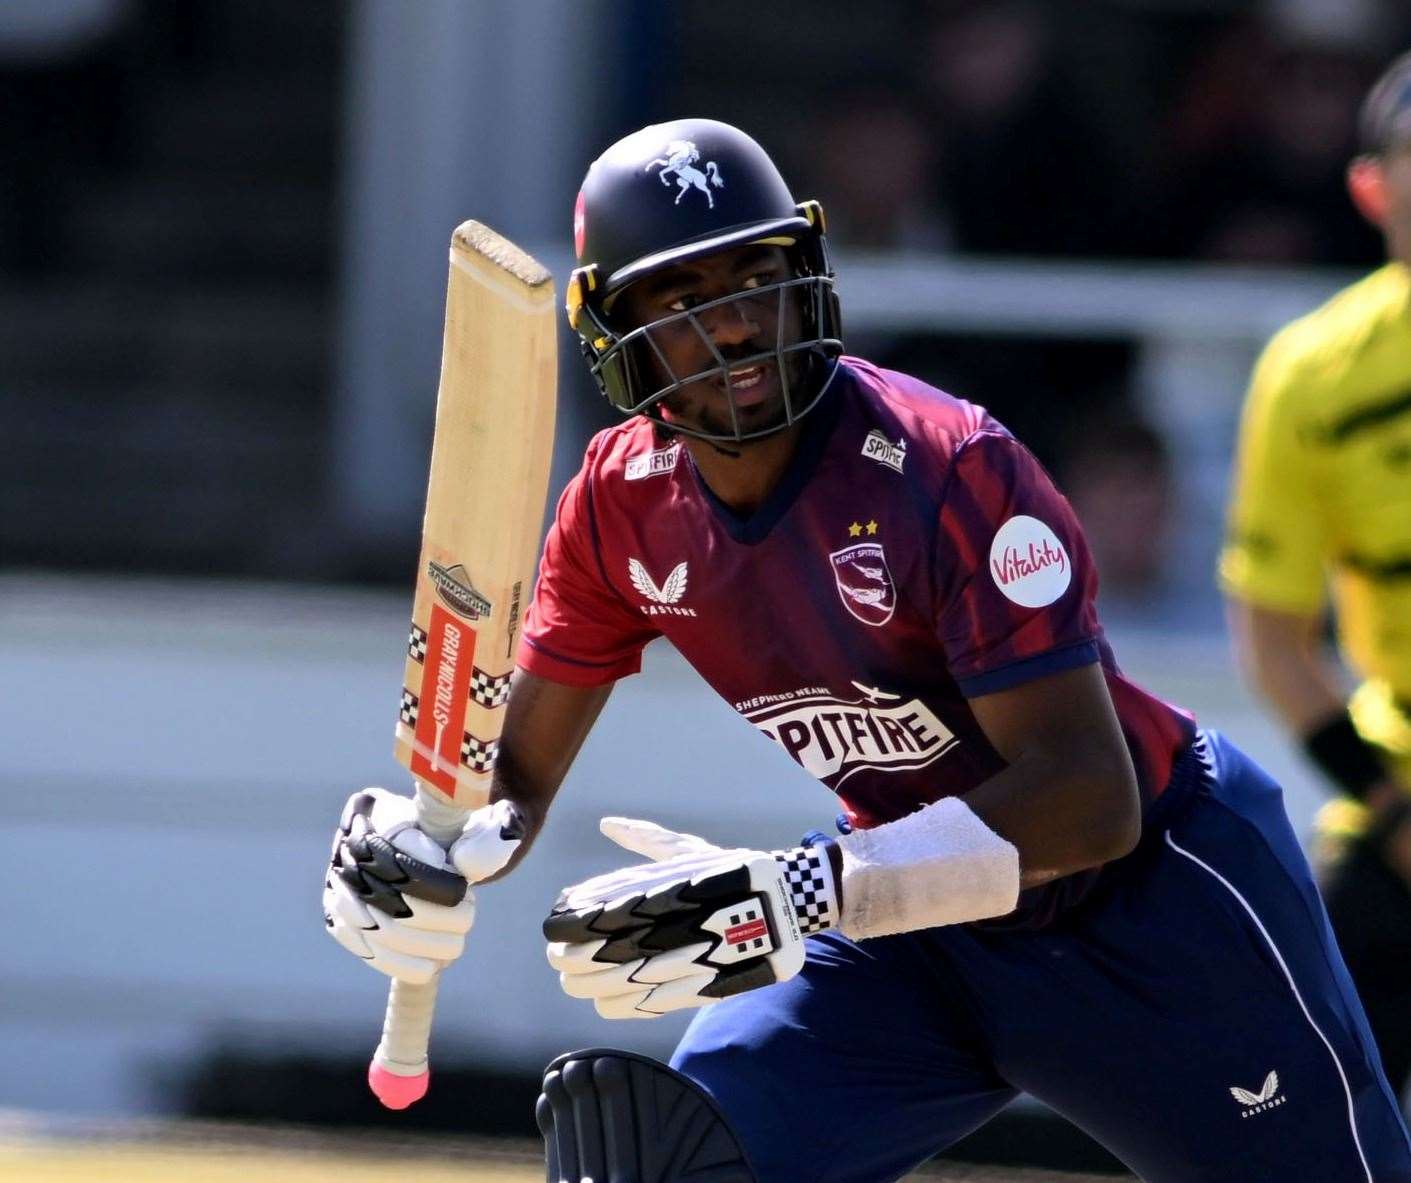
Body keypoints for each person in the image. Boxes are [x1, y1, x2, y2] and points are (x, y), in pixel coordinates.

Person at [324, 118, 1411, 1182]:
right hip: (910, 927)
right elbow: (511, 779)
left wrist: (798, 889)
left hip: (1149, 902)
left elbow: (1090, 798)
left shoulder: (948, 468)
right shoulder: (619, 501)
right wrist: (426, 850)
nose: (735, 328)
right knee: (667, 1159)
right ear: (619, 331)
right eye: (684, 301)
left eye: (751, 281)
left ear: (803, 274)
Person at [1220, 50, 1411, 1105]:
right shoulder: (1311, 372)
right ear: (1369, 186)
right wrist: (1392, 815)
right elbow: (1274, 642)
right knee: (1297, 1091)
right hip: (1395, 808)